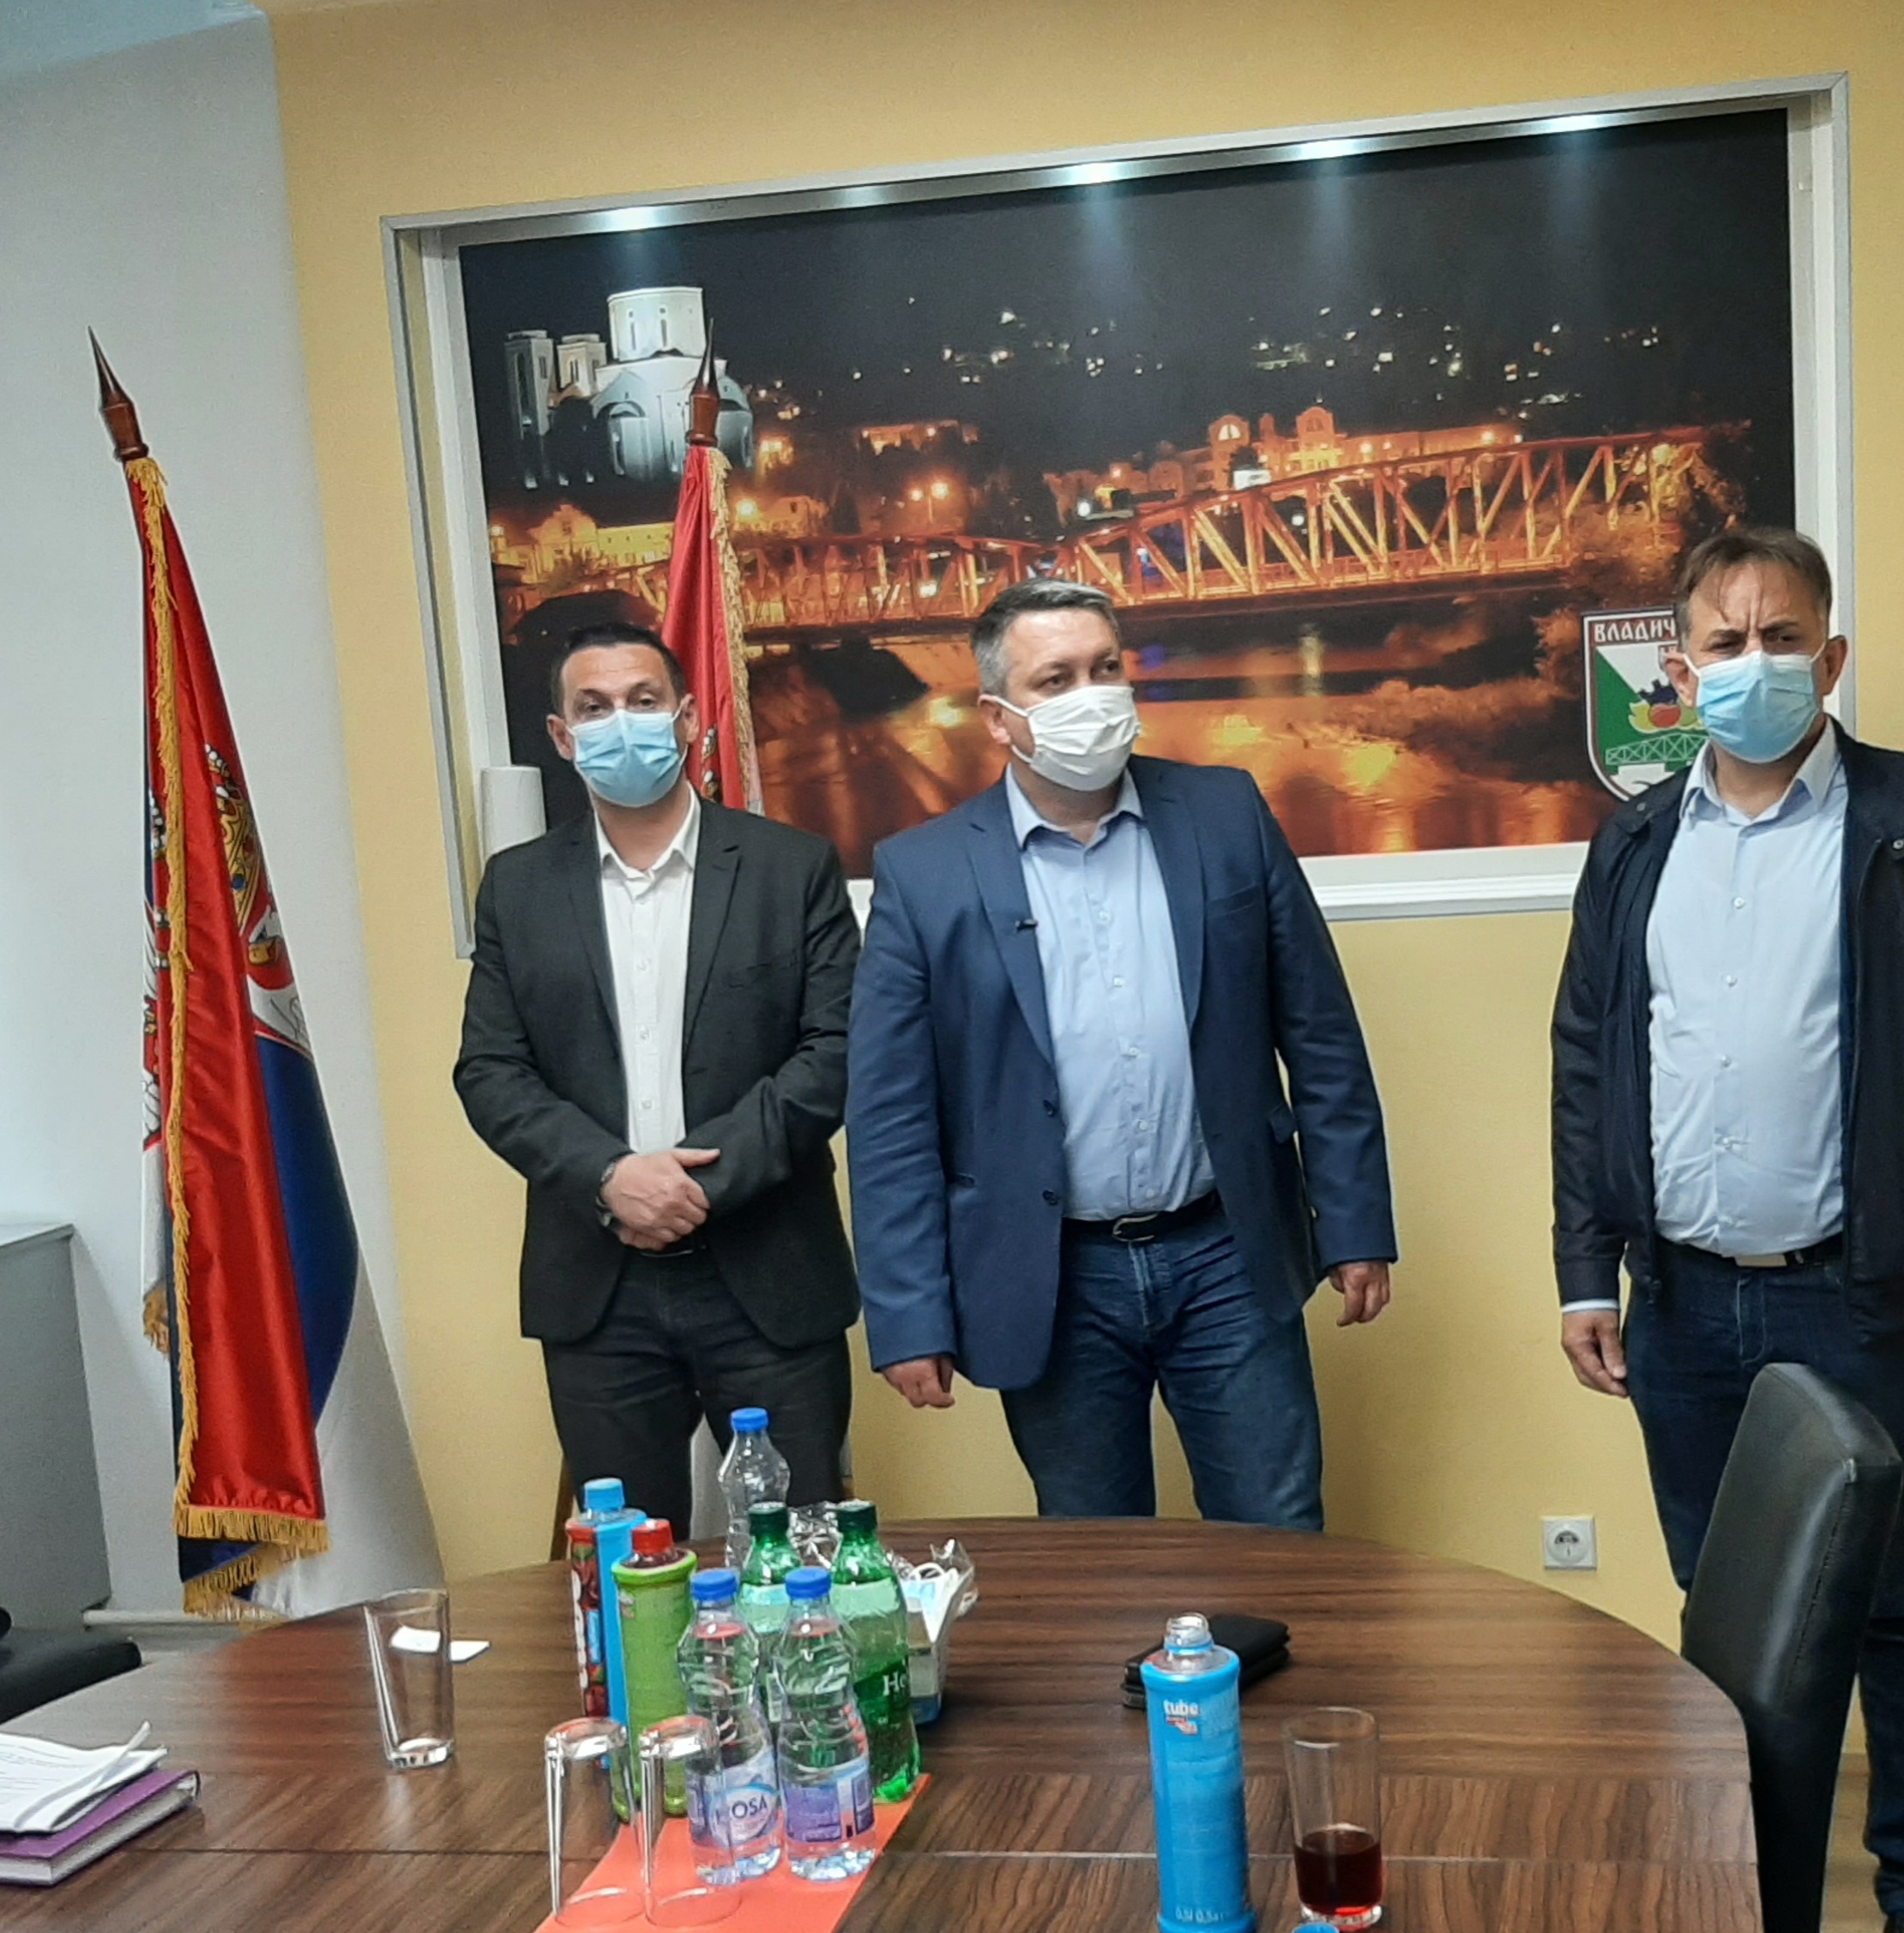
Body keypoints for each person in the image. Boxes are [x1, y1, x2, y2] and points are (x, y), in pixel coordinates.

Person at [1552, 528, 1904, 1933]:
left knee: (1898, 1606)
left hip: (1870, 1299)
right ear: (1679, 669)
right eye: (1723, 642)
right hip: (1683, 1305)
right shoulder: (1636, 842)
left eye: (1782, 637)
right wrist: (1584, 1265)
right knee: (1727, 1611)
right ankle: (1740, 1880)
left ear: (1830, 657)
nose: (1753, 664)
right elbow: (1589, 1061)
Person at [847, 577, 1395, 1527]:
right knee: (1094, 1555)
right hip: (1054, 1273)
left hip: (1228, 1250)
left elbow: (1321, 1034)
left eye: (1105, 668)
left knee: (1278, 1532)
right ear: (999, 717)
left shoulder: (1224, 814)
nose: (1092, 696)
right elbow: (891, 1115)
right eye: (1055, 679)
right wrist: (908, 1314)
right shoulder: (923, 872)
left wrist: (1352, 1225)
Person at [455, 623, 859, 1521]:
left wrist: (694, 1185)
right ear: (562, 737)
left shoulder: (790, 868)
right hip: (598, 1291)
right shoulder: (518, 888)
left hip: (768, 1275)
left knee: (798, 1553)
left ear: (685, 718)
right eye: (593, 708)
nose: (621, 723)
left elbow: (835, 1051)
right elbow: (490, 1070)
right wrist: (611, 1177)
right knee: (630, 1563)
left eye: (643, 702)